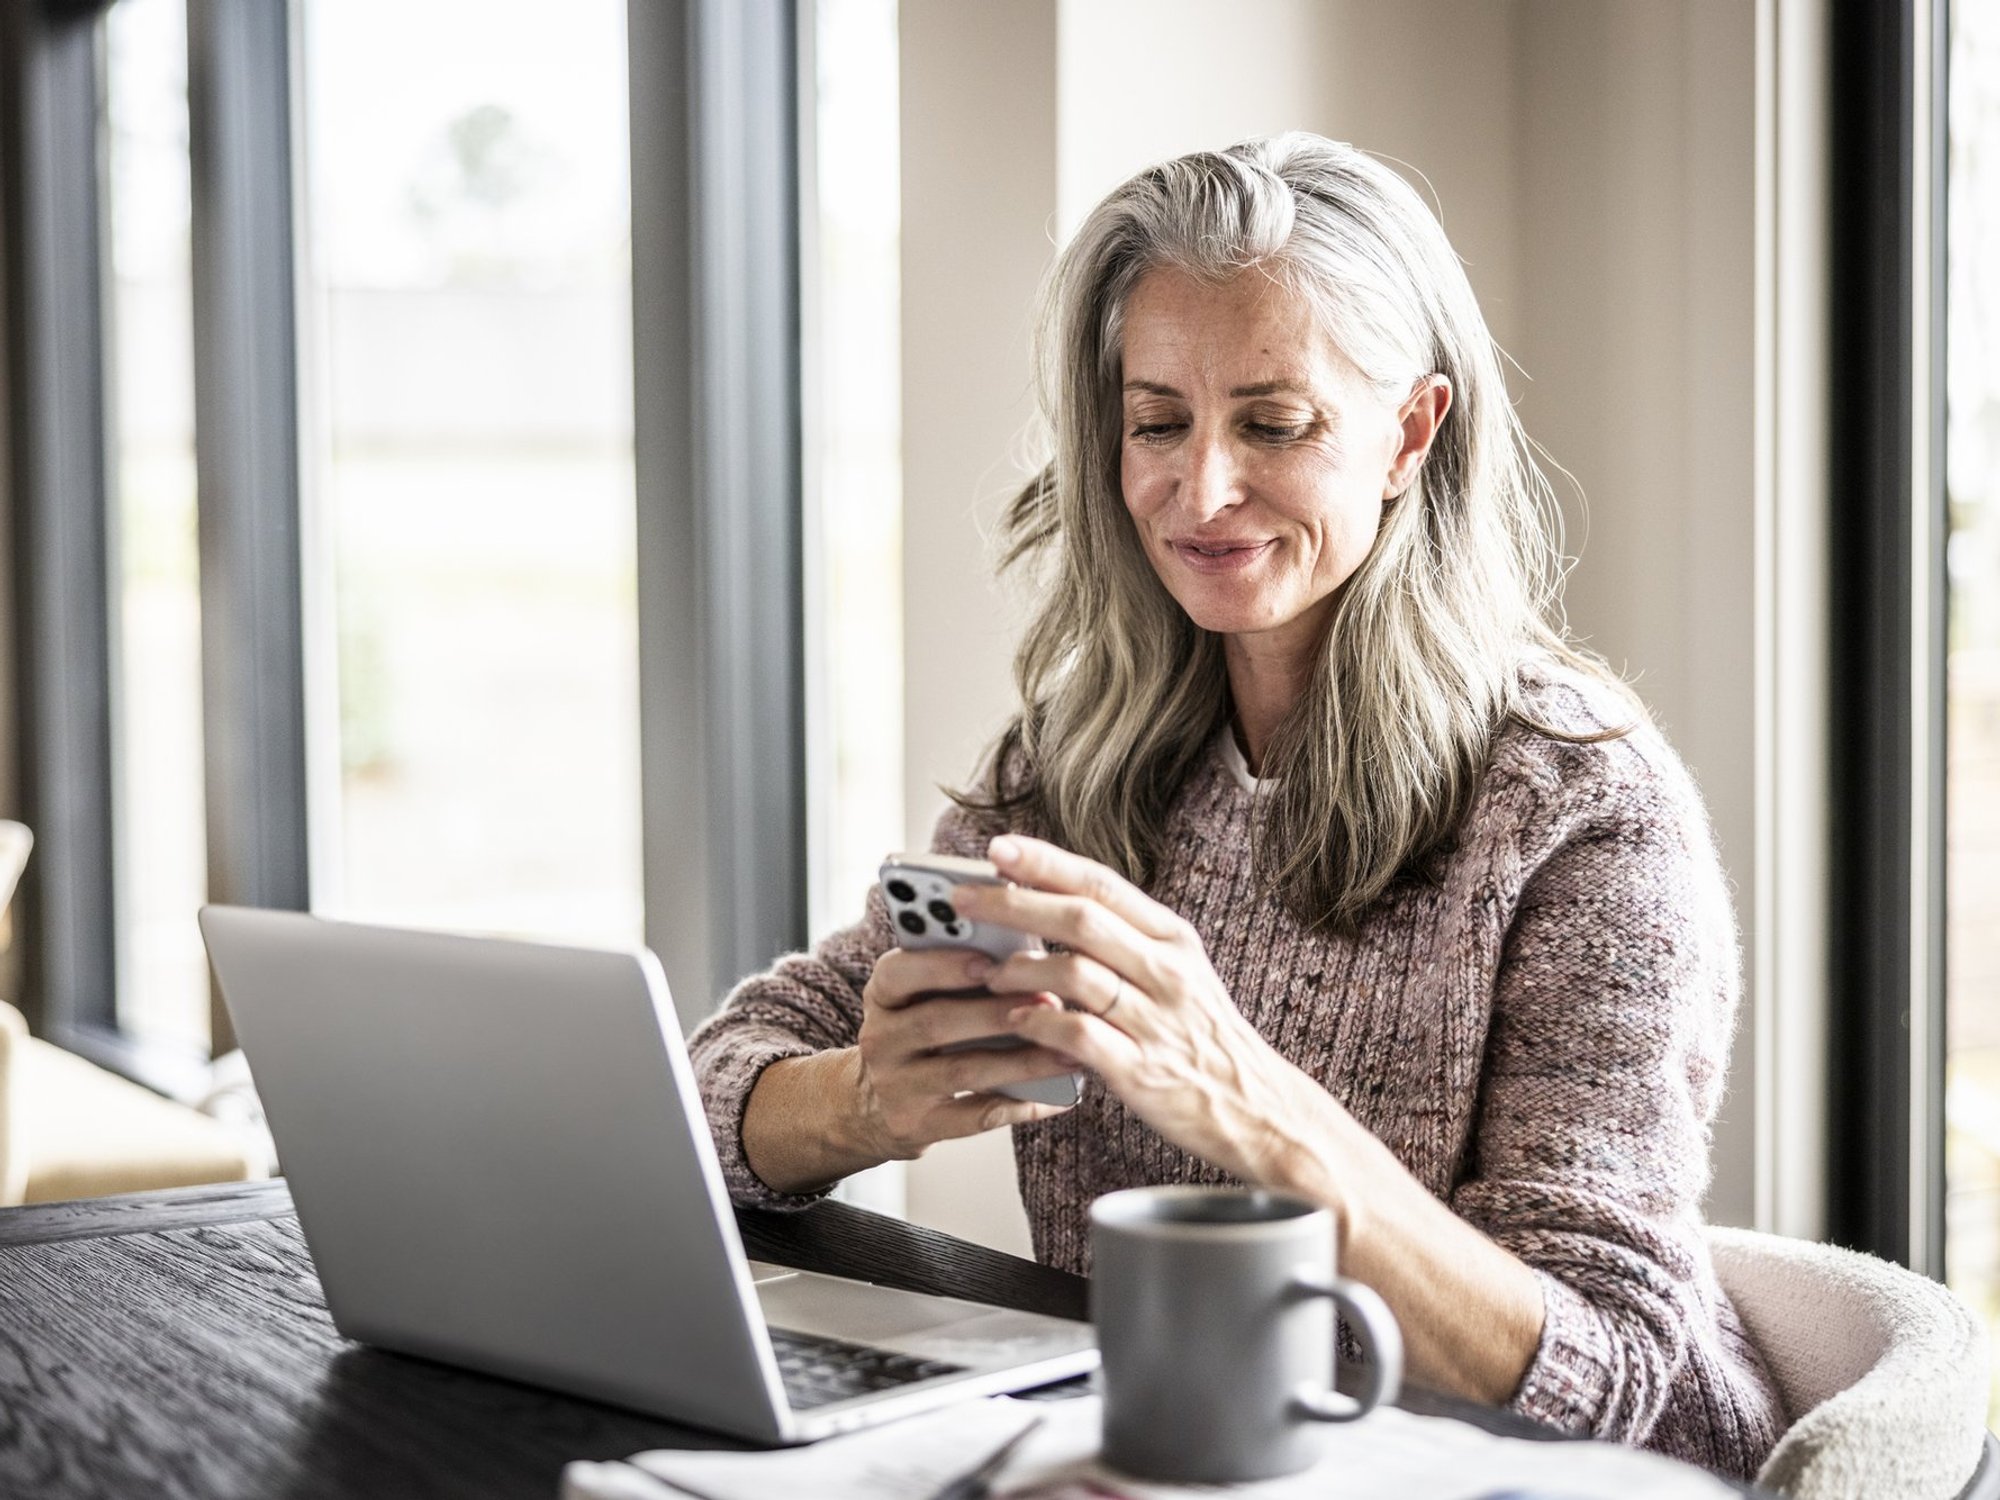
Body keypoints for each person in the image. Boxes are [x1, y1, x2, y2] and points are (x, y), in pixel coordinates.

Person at [689, 133, 1783, 1479]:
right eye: (1158, 421)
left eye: (1274, 422)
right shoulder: (1079, 764)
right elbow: (719, 1078)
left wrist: (1243, 1101)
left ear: (1409, 433)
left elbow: (1601, 1372)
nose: (1200, 491)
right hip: (1185, 1455)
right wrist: (862, 1101)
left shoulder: (1581, 815)